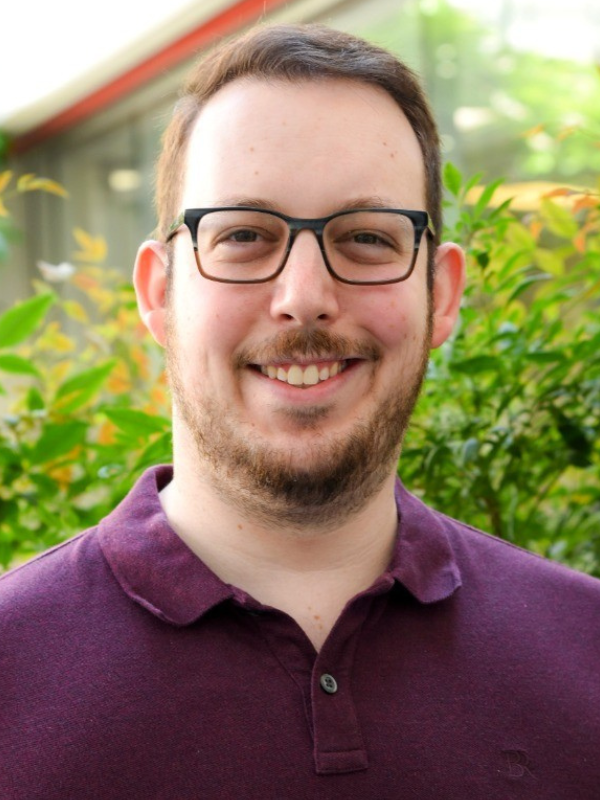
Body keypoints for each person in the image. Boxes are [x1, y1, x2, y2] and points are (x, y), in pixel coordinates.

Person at [1, 23, 599, 800]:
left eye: (368, 239)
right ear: (159, 295)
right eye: (245, 235)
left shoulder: (586, 649)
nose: (305, 298)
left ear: (441, 294)